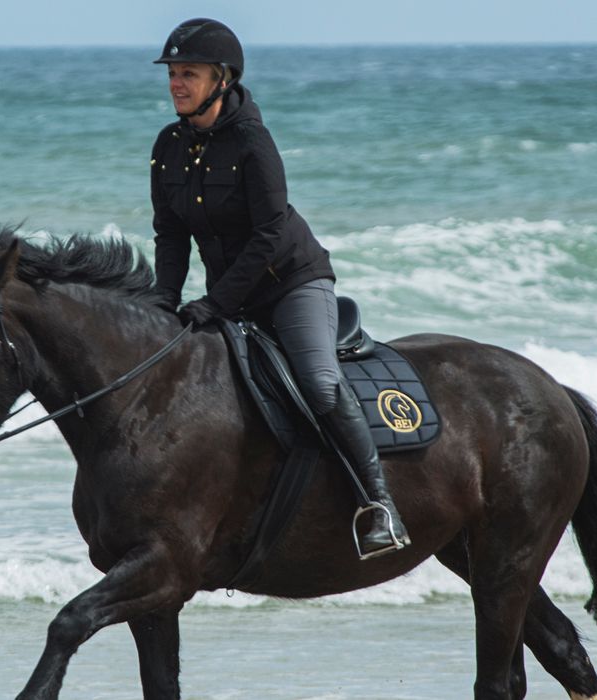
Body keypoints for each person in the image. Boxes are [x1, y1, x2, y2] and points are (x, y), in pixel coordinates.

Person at [148, 18, 408, 558]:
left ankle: (378, 504)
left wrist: (215, 302)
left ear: (221, 78)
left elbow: (268, 235)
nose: (176, 83)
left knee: (316, 382)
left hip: (292, 284)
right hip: (230, 292)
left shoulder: (252, 142)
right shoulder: (169, 145)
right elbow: (170, 235)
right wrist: (161, 305)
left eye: (188, 73)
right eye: (172, 73)